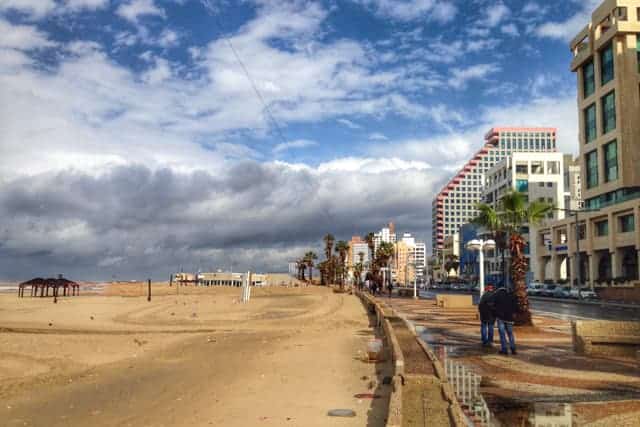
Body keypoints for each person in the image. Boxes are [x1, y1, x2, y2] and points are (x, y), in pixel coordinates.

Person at [493, 287, 518, 355]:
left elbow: (494, 306)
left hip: (501, 318)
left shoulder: (497, 296)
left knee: (502, 334)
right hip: (509, 318)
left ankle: (504, 349)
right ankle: (513, 349)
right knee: (510, 333)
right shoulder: (511, 296)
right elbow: (516, 307)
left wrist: (496, 314)